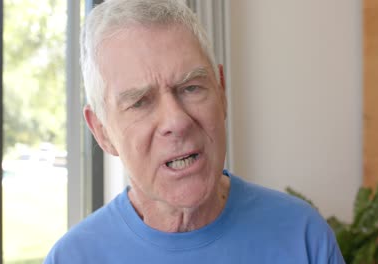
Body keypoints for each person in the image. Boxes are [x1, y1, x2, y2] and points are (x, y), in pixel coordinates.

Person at [45, 0, 345, 263]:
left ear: (222, 91)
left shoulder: (303, 236)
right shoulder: (72, 258)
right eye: (140, 102)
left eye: (191, 88)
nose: (176, 121)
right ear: (102, 131)